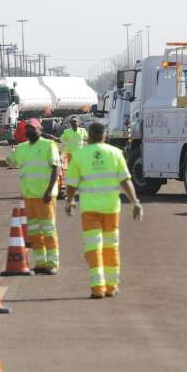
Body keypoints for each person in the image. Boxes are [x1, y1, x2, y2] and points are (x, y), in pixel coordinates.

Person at [0, 118, 61, 275]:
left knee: (48, 231)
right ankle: (40, 263)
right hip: (29, 197)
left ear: (40, 129)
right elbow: (6, 162)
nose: (29, 131)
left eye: (32, 128)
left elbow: (56, 168)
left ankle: (52, 263)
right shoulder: (22, 148)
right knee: (34, 233)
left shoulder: (48, 145)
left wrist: (49, 191)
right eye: (27, 129)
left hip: (45, 197)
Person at [65, 122, 143, 299]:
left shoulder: (79, 155)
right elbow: (125, 180)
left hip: (90, 210)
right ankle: (111, 286)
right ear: (105, 136)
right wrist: (135, 202)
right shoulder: (115, 153)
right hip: (111, 209)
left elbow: (71, 184)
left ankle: (97, 288)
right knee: (111, 248)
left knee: (93, 248)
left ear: (88, 137)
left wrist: (69, 202)